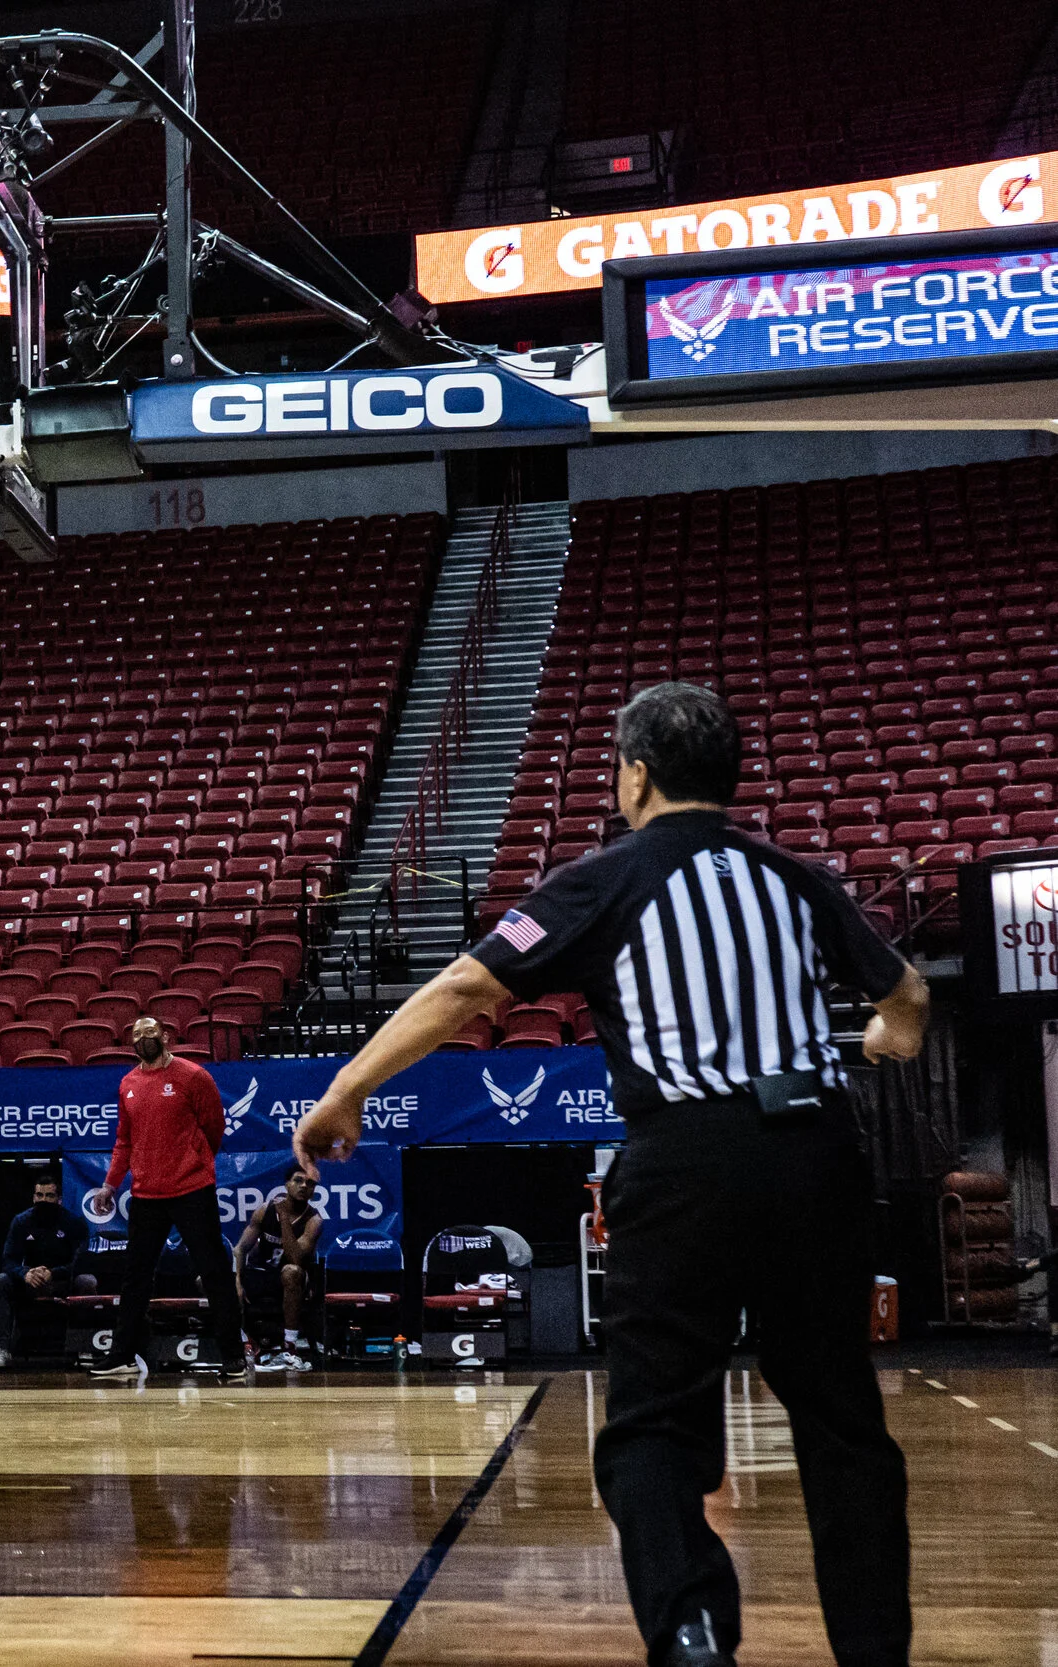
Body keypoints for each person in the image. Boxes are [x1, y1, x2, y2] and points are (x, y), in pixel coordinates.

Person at [294, 681, 931, 1667]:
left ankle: (691, 1632)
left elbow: (468, 982)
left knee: (651, 1427)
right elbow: (909, 991)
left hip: (686, 1159)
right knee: (842, 1420)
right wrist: (892, 1031)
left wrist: (345, 1086)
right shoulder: (795, 878)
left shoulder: (608, 876)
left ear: (636, 773)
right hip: (817, 1152)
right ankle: (874, 1649)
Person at [84, 1016, 243, 1382]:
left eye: (149, 1031)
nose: (143, 1038)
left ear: (165, 1035)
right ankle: (122, 1355)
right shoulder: (128, 1084)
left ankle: (234, 1356)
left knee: (214, 1273)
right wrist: (110, 1185)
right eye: (136, 1033)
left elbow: (213, 1128)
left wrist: (197, 1162)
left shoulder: (193, 1076)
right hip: (146, 1195)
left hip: (191, 1190)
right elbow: (124, 1141)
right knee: (135, 1278)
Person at [0, 1172, 92, 1369]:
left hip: (62, 1281)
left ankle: (84, 1347)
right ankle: (3, 1349)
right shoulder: (21, 1222)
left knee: (87, 1281)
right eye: (39, 1196)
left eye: (49, 1196)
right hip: (30, 1282)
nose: (44, 1200)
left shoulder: (73, 1223)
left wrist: (55, 1272)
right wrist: (25, 1273)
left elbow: (81, 1262)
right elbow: (9, 1260)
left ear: (59, 1200)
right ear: (34, 1197)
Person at [235, 1166, 322, 1371]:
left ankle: (290, 1349)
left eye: (310, 1184)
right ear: (286, 1185)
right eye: (298, 1180)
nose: (303, 1186)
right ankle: (244, 1341)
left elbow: (295, 1258)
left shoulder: (314, 1221)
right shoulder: (264, 1211)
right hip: (262, 1274)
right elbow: (240, 1249)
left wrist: (283, 1219)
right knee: (207, 1281)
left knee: (290, 1271)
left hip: (294, 1279)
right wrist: (237, 1280)